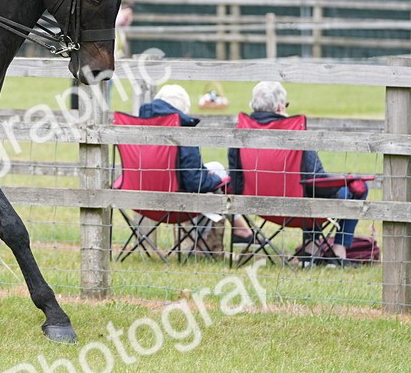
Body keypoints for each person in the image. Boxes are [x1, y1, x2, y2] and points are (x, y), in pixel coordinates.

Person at [228, 81, 368, 266]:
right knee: (353, 188)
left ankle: (311, 249)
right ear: (280, 107)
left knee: (308, 188)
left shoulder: (241, 129)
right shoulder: (294, 130)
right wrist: (345, 181)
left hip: (255, 206)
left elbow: (236, 181)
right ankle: (338, 251)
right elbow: (316, 180)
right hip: (298, 209)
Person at [139, 84, 258, 245]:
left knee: (213, 170)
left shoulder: (138, 123)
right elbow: (195, 182)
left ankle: (239, 230)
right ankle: (239, 231)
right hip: (174, 200)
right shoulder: (181, 126)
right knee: (217, 175)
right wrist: (216, 180)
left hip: (139, 194)